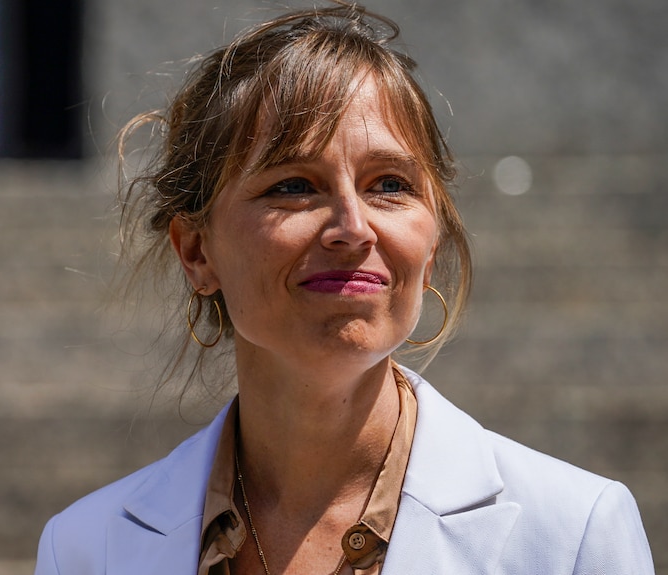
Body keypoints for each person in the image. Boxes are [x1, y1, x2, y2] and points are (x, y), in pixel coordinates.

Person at [34, 3, 654, 574]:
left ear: (432, 238)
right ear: (197, 251)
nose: (352, 229)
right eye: (292, 186)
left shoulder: (573, 533)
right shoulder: (86, 549)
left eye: (389, 184)